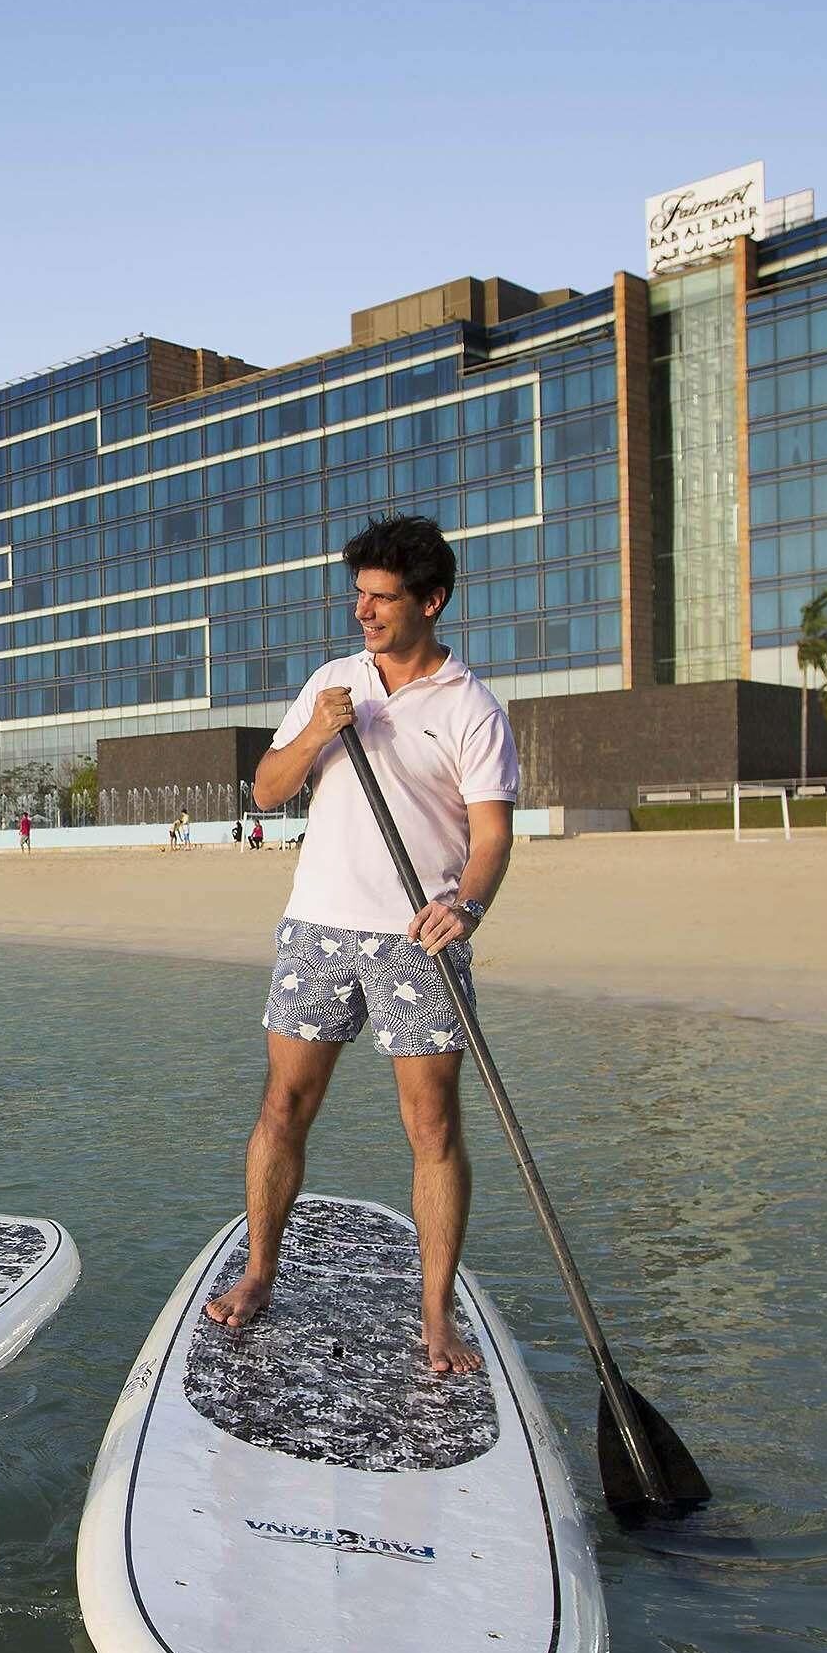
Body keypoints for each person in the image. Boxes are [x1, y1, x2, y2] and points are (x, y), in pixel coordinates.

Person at [207, 514, 518, 1380]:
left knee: (433, 1129)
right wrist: (316, 733)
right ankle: (262, 1270)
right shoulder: (332, 681)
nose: (364, 613)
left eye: (382, 598)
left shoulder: (471, 709)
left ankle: (434, 1311)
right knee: (284, 1108)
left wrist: (470, 905)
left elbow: (492, 836)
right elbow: (268, 792)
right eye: (359, 596)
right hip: (318, 928)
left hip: (418, 940)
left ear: (432, 601)